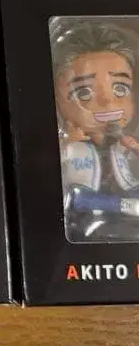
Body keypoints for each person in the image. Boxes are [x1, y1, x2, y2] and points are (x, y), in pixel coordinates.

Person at [52, 22, 139, 241]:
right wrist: (68, 141)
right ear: (57, 101)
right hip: (84, 199)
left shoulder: (120, 143)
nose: (107, 101)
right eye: (83, 92)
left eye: (120, 88)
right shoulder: (74, 144)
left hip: (124, 191)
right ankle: (124, 206)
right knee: (79, 197)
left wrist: (135, 147)